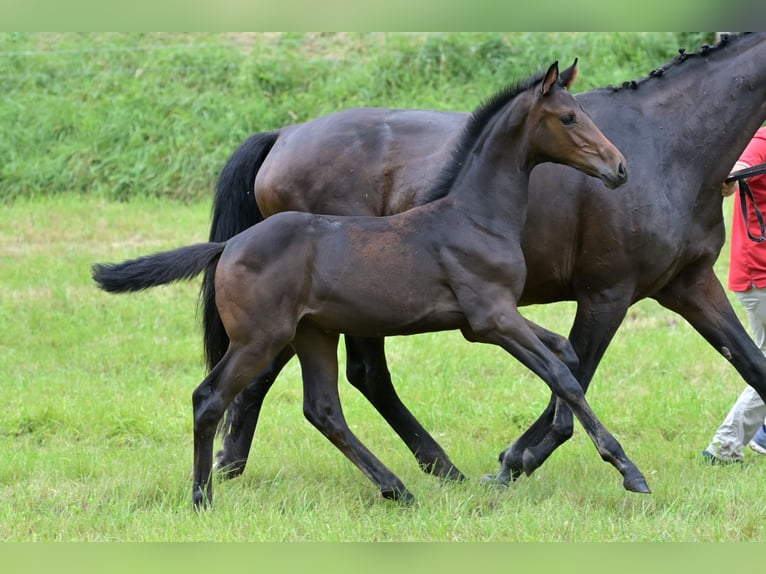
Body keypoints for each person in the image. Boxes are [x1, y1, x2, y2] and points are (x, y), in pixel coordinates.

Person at [703, 126, 766, 464]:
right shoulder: (761, 141)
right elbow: (736, 172)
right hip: (761, 272)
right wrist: (732, 176)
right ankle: (725, 447)